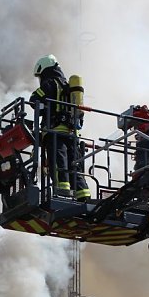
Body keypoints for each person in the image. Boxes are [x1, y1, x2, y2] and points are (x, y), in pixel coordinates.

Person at [29, 54, 91, 202]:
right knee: (74, 163)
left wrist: (44, 108)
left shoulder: (50, 83)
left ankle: (62, 191)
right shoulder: (68, 86)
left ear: (44, 70)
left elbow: (34, 100)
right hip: (72, 133)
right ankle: (83, 194)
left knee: (59, 162)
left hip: (54, 131)